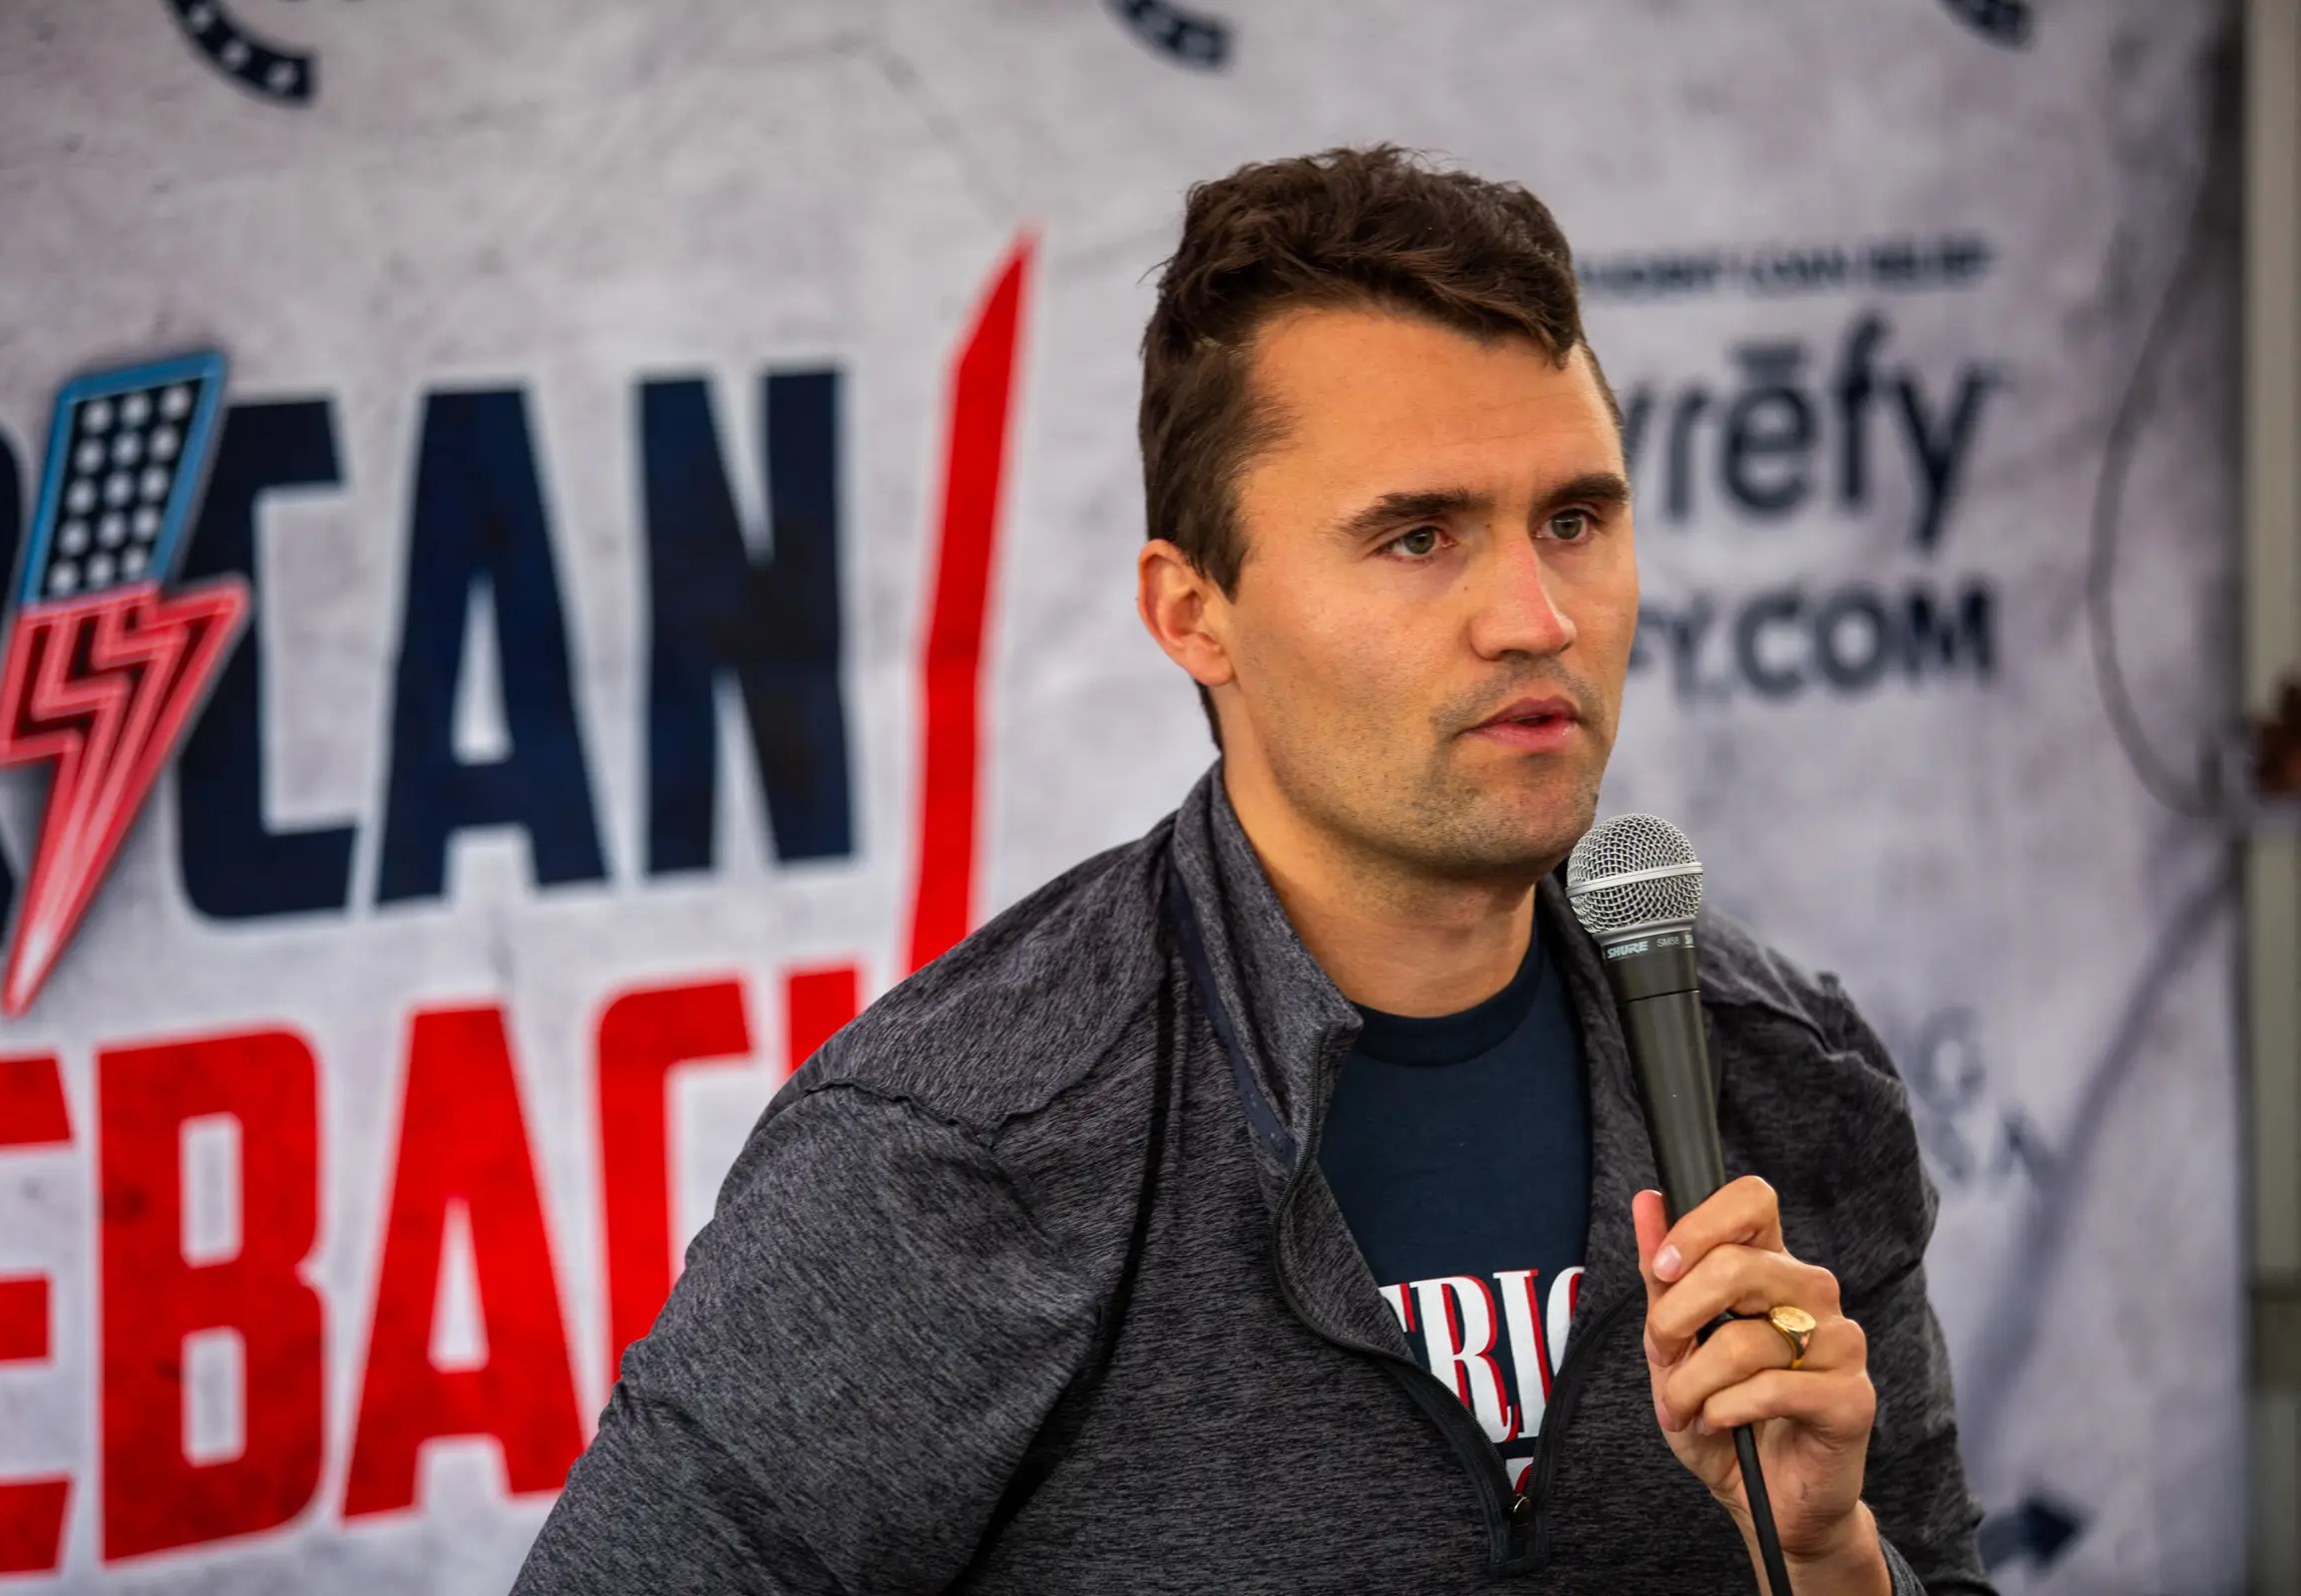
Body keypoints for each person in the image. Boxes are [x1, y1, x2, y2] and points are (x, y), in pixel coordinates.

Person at [514, 146, 1992, 1595]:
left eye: (1573, 521)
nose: (1537, 616)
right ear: (1192, 612)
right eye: (1418, 537)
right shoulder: (962, 1146)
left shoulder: (1789, 1077)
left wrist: (1831, 1564)